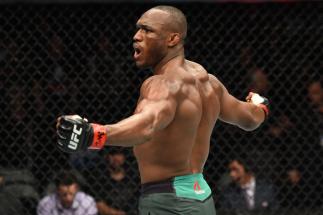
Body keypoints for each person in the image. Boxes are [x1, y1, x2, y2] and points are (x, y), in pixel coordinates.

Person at [56, 5, 269, 214]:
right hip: (201, 197)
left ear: (172, 39)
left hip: (168, 202)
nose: (137, 36)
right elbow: (250, 118)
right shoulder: (209, 84)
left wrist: (92, 134)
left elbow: (147, 124)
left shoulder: (163, 84)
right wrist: (260, 106)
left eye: (147, 30)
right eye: (138, 28)